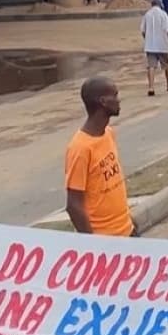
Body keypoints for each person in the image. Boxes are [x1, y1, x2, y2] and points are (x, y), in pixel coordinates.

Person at [65, 76, 137, 237]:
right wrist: (94, 246)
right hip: (105, 241)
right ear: (103, 102)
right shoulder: (80, 148)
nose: (119, 100)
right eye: (115, 95)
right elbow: (73, 205)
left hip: (127, 231)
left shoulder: (109, 134)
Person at [140, 0, 168, 96]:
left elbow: (143, 31)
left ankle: (151, 87)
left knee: (151, 66)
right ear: (160, 4)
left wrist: (147, 39)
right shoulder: (163, 14)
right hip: (162, 44)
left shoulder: (147, 15)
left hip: (150, 45)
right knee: (166, 65)